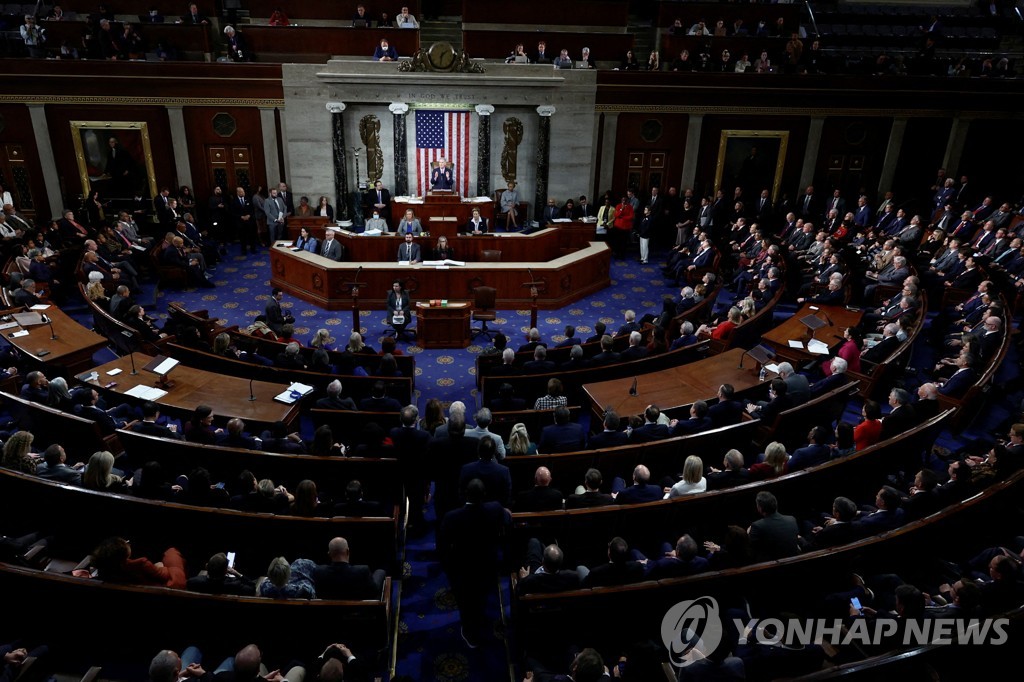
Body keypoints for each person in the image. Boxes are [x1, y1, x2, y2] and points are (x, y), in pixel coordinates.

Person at [438, 478, 511, 648]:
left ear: (464, 495)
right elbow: (506, 522)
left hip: (462, 569)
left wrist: (449, 569)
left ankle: (470, 631)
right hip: (487, 565)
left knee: (465, 602)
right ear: (484, 495)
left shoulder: (452, 517)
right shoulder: (495, 509)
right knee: (482, 597)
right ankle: (480, 623)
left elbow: (442, 547)